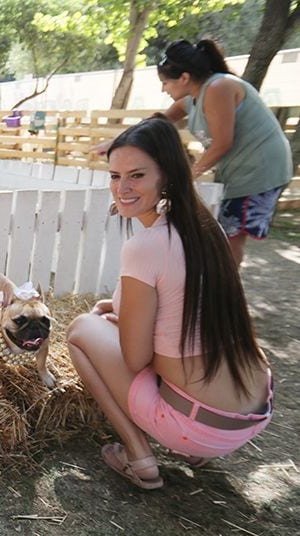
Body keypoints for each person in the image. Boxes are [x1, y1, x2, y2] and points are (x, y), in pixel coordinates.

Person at [67, 117, 273, 491]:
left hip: (199, 425)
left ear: (167, 175)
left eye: (137, 175)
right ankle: (197, 449)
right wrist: (121, 311)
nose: (122, 188)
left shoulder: (144, 246)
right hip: (251, 415)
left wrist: (121, 318)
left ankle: (138, 456)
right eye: (115, 176)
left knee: (81, 329)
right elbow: (185, 314)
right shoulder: (206, 230)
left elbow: (136, 359)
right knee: (110, 325)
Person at [93, 39, 292, 268]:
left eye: (165, 82)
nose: (163, 89)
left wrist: (183, 178)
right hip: (236, 171)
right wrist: (117, 142)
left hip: (259, 171)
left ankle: (223, 294)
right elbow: (157, 124)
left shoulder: (219, 88)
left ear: (184, 78)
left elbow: (221, 144)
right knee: (221, 234)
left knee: (230, 237)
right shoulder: (191, 99)